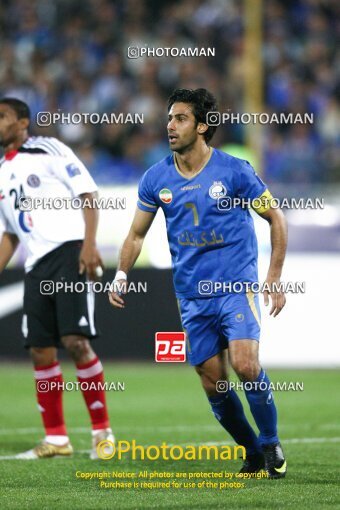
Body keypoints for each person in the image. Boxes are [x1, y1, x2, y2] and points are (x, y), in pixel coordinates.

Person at [109, 88, 288, 478]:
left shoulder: (236, 171)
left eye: (180, 118)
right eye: (169, 118)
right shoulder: (156, 178)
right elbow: (136, 234)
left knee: (245, 364)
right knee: (214, 385)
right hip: (191, 296)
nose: (170, 126)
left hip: (236, 287)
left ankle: (271, 441)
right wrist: (122, 274)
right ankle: (252, 450)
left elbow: (276, 218)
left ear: (203, 126)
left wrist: (273, 277)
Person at [0, 98, 114, 459]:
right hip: (36, 265)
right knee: (40, 349)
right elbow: (10, 234)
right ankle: (57, 439)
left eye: (1, 117)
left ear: (22, 122)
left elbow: (88, 193)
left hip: (69, 252)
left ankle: (102, 434)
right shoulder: (1, 171)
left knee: (76, 341)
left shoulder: (48, 148)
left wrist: (90, 244)